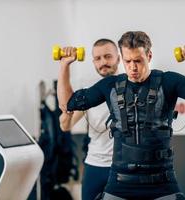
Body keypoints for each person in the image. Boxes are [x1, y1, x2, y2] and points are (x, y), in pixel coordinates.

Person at [57, 31, 185, 200]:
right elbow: (66, 104)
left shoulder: (169, 81)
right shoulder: (109, 85)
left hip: (162, 183)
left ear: (149, 55)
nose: (133, 67)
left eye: (138, 60)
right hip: (119, 183)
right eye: (127, 61)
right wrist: (64, 65)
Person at [59, 39, 120, 200]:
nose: (103, 62)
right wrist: (65, 65)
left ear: (119, 58)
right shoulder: (91, 94)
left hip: (122, 167)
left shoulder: (130, 86)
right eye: (98, 58)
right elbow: (66, 125)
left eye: (108, 56)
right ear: (93, 62)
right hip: (94, 166)